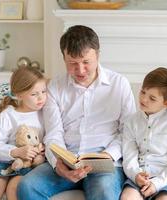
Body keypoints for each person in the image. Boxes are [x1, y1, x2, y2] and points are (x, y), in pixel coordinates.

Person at [17, 25, 136, 200]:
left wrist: (107, 156)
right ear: (64, 58)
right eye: (72, 63)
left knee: (105, 193)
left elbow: (129, 131)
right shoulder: (54, 87)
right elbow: (53, 133)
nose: (80, 70)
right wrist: (58, 164)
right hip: (67, 158)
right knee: (27, 187)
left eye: (86, 62)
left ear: (98, 55)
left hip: (104, 162)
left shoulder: (119, 84)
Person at [121, 67, 167, 200]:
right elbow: (129, 155)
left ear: (166, 103)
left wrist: (157, 183)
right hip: (139, 177)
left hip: (166, 179)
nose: (144, 99)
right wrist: (136, 175)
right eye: (143, 92)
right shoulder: (131, 121)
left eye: (152, 98)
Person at [0, 66, 47, 200]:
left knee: (15, 191)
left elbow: (50, 138)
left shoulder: (46, 114)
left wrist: (43, 149)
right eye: (34, 94)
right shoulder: (8, 116)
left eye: (44, 91)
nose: (41, 98)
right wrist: (16, 152)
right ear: (19, 94)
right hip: (2, 162)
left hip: (27, 164)